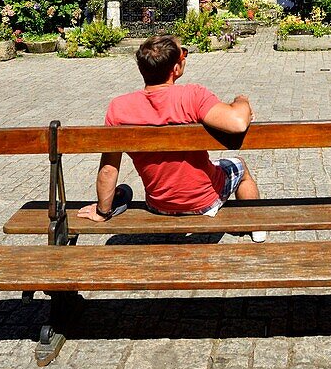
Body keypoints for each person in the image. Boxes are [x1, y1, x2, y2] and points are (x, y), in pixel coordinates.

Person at [78, 34, 266, 241]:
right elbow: (238, 123)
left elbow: (108, 169)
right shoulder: (193, 96)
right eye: (183, 54)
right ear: (176, 68)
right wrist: (241, 101)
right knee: (240, 166)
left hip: (159, 205)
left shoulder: (119, 107)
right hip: (204, 201)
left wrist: (102, 211)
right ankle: (255, 226)